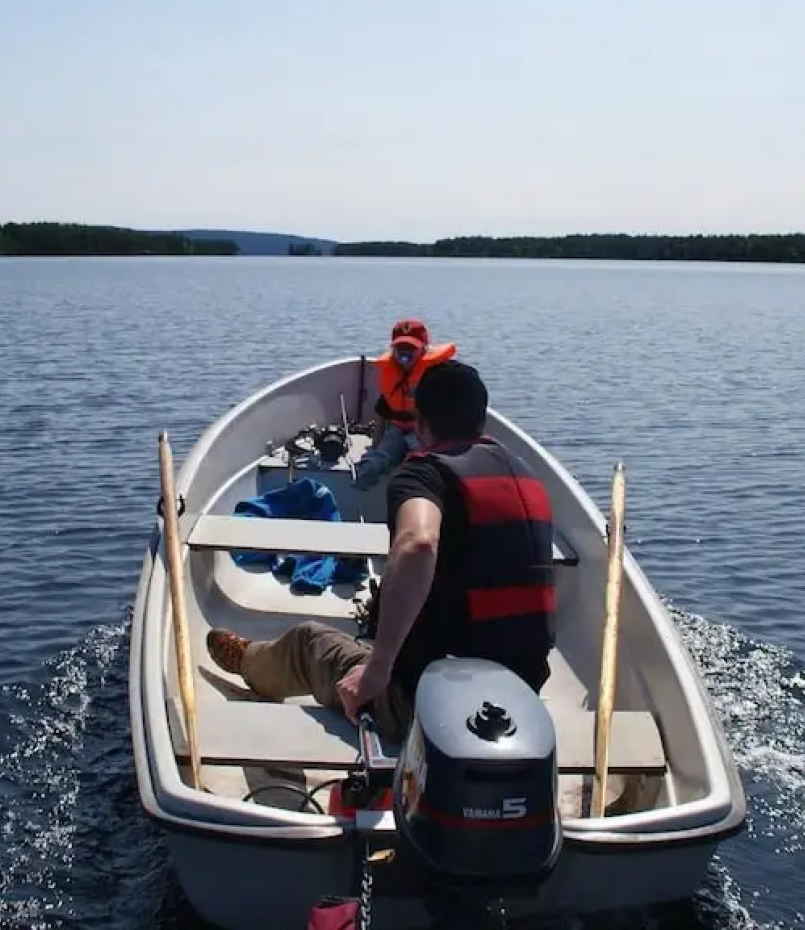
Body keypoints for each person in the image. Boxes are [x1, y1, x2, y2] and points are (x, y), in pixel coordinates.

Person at [204, 360, 557, 743]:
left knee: (309, 642)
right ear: (481, 420)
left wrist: (378, 667)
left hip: (428, 708)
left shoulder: (424, 473)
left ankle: (251, 663)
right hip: (519, 703)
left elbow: (419, 543)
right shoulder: (526, 476)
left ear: (419, 423)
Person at [352, 318, 457, 492]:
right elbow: (383, 413)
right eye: (400, 348)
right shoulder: (391, 373)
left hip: (428, 433)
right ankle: (363, 481)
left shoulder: (440, 374)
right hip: (399, 429)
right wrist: (375, 443)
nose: (404, 354)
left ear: (424, 348)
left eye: (411, 349)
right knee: (380, 456)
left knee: (421, 461)